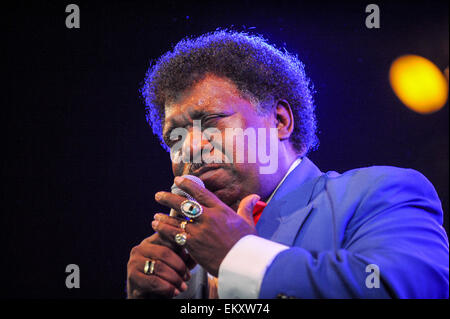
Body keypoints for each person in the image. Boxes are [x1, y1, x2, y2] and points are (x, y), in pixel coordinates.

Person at [126, 30, 449, 298]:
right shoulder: (181, 261)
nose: (192, 146)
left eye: (210, 121)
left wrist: (239, 257)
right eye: (175, 138)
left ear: (280, 121)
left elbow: (410, 290)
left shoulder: (378, 192)